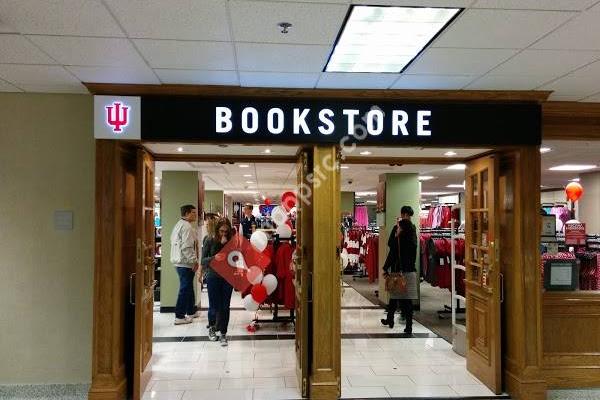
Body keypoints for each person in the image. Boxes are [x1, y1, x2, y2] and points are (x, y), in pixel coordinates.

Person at [381, 205, 418, 334]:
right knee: (405, 299)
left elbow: (392, 248)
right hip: (409, 268)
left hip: (398, 269)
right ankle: (406, 325)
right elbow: (414, 249)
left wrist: (386, 267)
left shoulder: (397, 229)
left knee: (395, 295)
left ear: (402, 214)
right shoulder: (413, 230)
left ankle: (391, 320)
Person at [201, 218, 234, 346]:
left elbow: (237, 259)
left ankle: (224, 333)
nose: (223, 234)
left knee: (225, 306)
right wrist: (215, 257)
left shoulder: (232, 241)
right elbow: (203, 260)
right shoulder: (209, 239)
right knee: (214, 305)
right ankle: (213, 328)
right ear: (217, 230)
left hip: (228, 277)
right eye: (221, 231)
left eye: (226, 232)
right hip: (213, 277)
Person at [170, 204, 200, 325]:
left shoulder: (179, 225)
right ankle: (179, 316)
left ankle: (191, 311)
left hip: (180, 261)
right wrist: (194, 261)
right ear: (187, 213)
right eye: (193, 212)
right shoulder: (187, 227)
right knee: (185, 288)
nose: (195, 215)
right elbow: (187, 247)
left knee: (188, 287)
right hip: (185, 263)